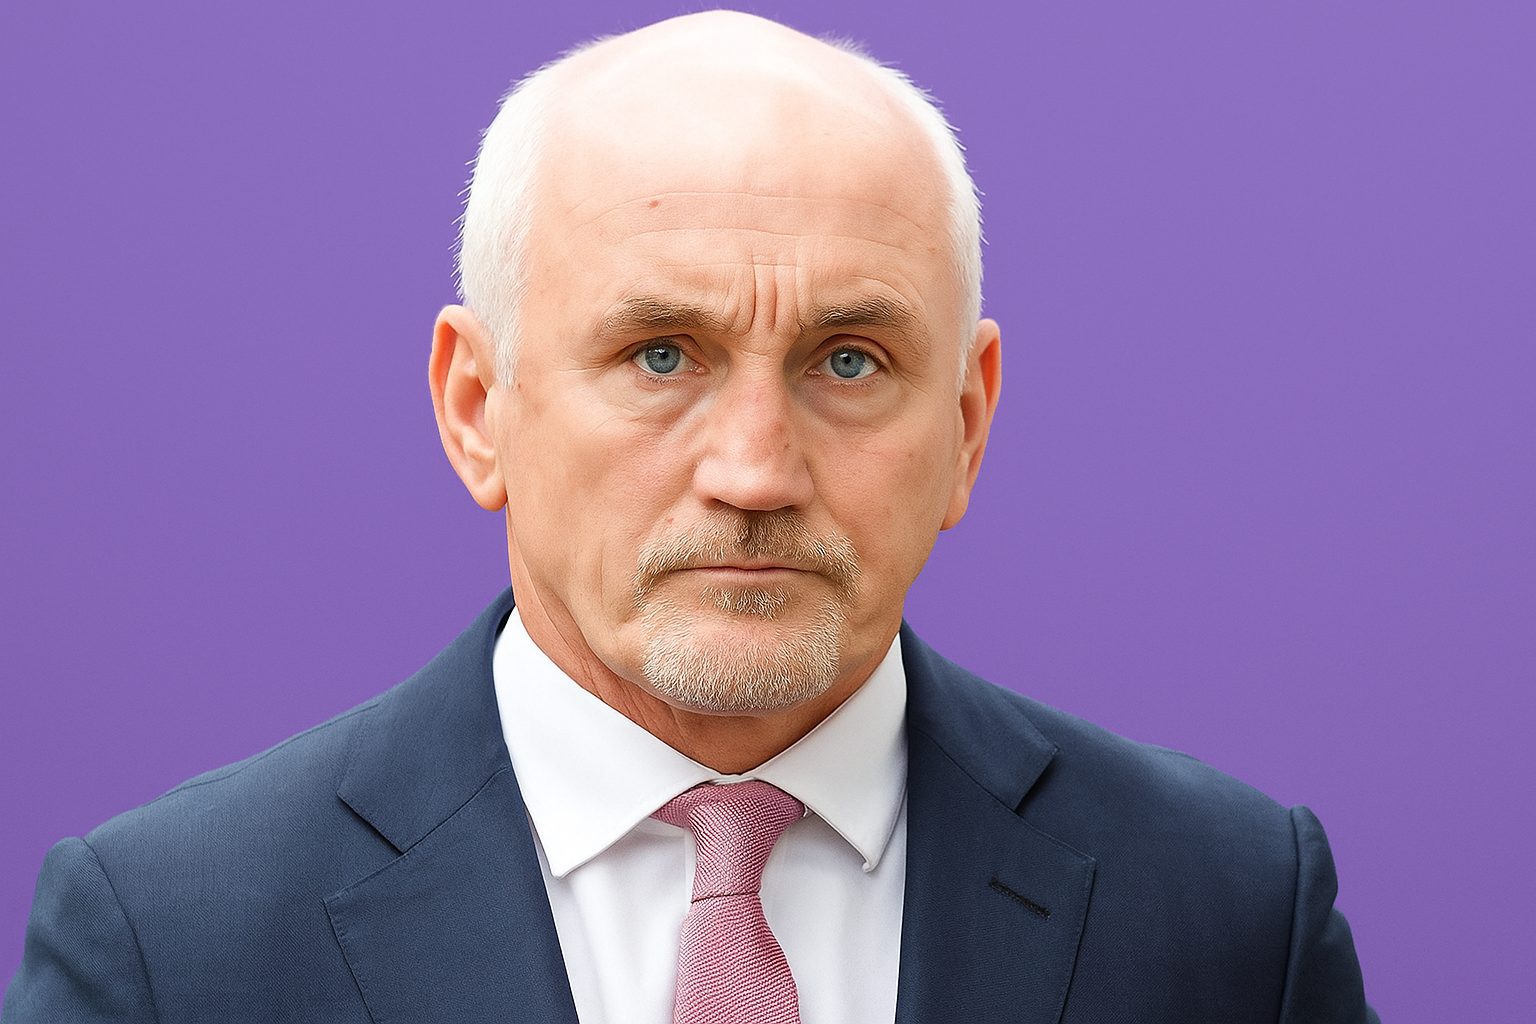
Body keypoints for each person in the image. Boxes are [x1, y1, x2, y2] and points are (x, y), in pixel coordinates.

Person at [3, 11, 1377, 1023]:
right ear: (478, 406)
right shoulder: (170, 950)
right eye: (661, 355)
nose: (756, 472)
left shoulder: (1227, 913)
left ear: (966, 425)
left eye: (850, 361)